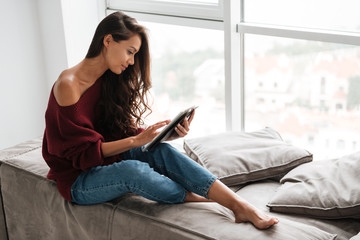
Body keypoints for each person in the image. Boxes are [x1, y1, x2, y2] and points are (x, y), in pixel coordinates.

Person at [42, 11, 279, 230]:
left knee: (161, 150)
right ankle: (193, 195)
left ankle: (239, 205)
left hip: (103, 160)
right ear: (108, 40)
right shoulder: (68, 85)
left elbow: (113, 130)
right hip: (77, 179)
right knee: (132, 170)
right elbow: (82, 154)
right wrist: (134, 141)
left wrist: (163, 135)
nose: (132, 62)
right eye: (130, 51)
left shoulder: (108, 78)